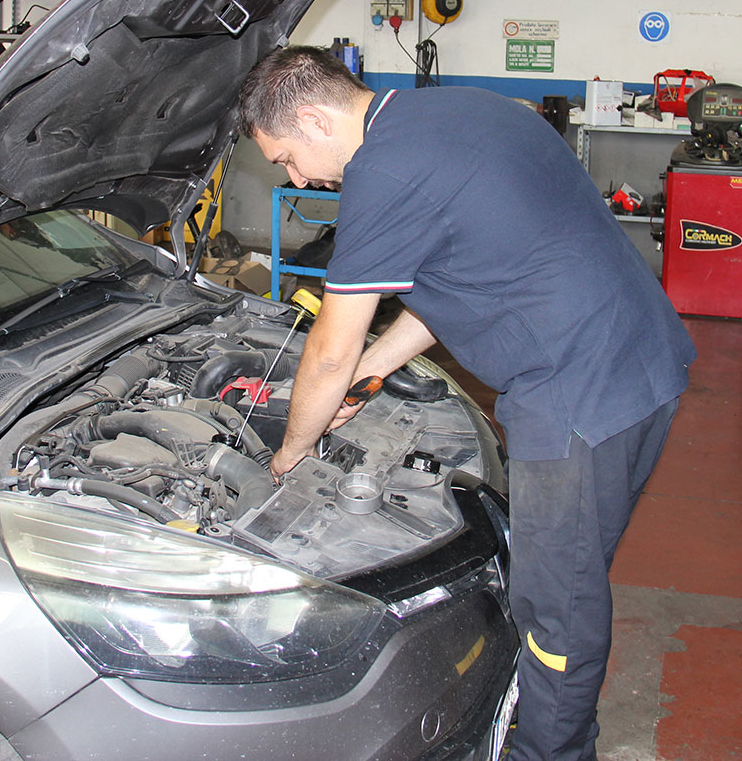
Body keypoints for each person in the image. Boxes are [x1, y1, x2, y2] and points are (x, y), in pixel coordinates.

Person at [234, 46, 695, 761]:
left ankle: (552, 751)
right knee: (566, 576)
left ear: (316, 117)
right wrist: (372, 373)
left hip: (578, 395)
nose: (297, 177)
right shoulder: (455, 111)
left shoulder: (381, 172)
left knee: (558, 607)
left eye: (288, 157)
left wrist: (292, 449)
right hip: (642, 361)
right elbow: (461, 274)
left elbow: (327, 345)